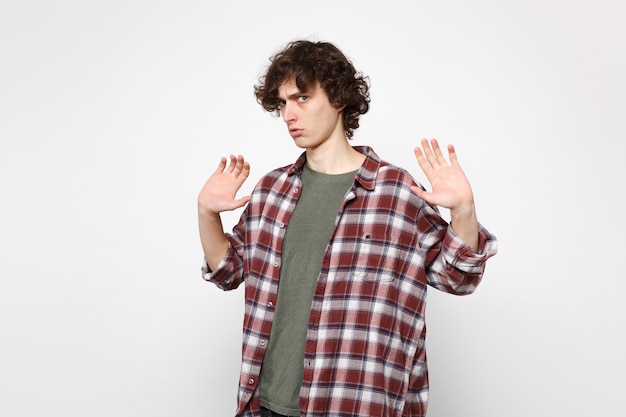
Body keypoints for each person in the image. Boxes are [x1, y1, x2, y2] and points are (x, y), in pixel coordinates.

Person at [198, 40, 497, 417]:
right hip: (269, 404)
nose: (289, 113)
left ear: (338, 98)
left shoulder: (395, 191)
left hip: (354, 403)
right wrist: (206, 213)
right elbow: (228, 271)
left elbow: (458, 278)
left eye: (302, 98)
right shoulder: (272, 191)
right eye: (283, 102)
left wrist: (464, 212)